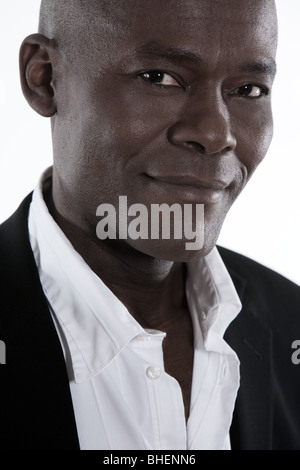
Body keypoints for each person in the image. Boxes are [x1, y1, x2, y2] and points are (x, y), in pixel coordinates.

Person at [0, 0, 300, 451]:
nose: (217, 133)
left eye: (249, 90)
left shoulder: (291, 322)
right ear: (45, 78)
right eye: (159, 78)